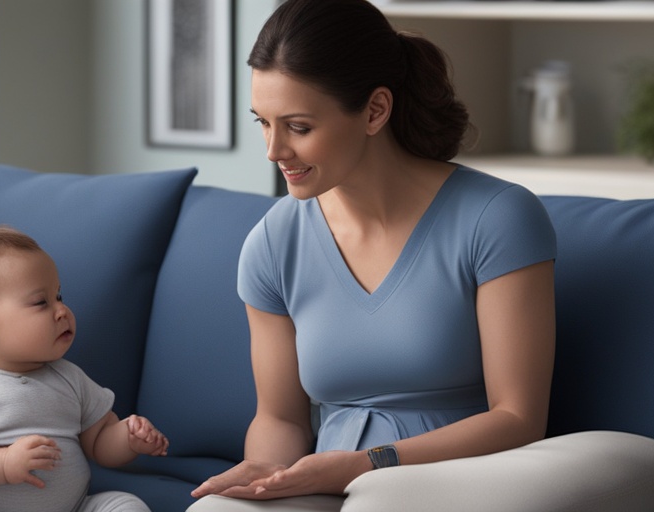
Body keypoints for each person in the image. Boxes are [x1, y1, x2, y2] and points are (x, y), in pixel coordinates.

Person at [189, 0, 556, 508]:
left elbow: (518, 418)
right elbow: (280, 418)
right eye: (263, 122)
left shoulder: (497, 218)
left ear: (375, 110)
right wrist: (268, 477)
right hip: (329, 482)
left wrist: (368, 464)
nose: (273, 151)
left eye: (297, 127)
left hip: (461, 480)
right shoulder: (273, 243)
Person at [0, 225, 169, 512]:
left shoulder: (69, 378)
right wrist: (2, 463)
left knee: (126, 505)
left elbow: (99, 443)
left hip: (70, 507)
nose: (62, 310)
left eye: (58, 296)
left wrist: (128, 438)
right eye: (41, 302)